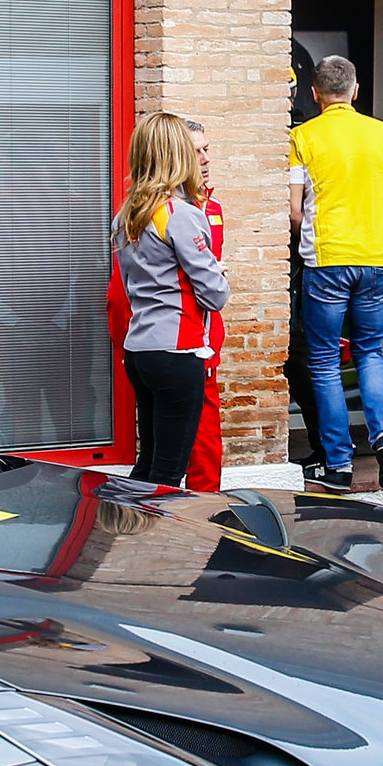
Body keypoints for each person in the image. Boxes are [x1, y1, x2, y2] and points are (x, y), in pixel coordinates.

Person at [289, 55, 383, 492]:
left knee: (322, 363)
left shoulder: (303, 137)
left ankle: (339, 465)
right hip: (376, 258)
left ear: (315, 94)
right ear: (356, 91)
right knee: (370, 351)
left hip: (326, 260)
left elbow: (295, 211)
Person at [113, 111, 228, 486]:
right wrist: (218, 276)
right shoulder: (181, 214)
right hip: (178, 349)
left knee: (149, 464)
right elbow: (215, 295)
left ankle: (123, 529)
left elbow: (130, 286)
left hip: (141, 349)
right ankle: (150, 540)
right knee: (168, 471)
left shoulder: (126, 214)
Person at [181, 118, 229, 492]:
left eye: (207, 149)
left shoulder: (210, 206)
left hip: (206, 338)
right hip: (177, 340)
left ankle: (205, 506)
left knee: (206, 436)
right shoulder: (164, 210)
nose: (205, 158)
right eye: (196, 151)